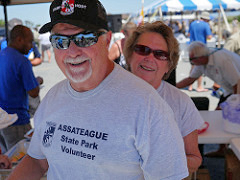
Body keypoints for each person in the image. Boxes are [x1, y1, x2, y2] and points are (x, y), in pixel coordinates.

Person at [8, 0, 188, 179]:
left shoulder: (148, 106)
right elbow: (38, 160)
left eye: (84, 39)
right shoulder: (52, 98)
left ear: (107, 40)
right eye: (60, 41)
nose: (72, 51)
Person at [124, 21, 204, 174]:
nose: (149, 57)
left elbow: (195, 159)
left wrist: (156, 161)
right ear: (129, 55)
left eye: (160, 54)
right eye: (142, 49)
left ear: (169, 65)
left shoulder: (181, 102)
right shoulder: (108, 95)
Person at [176, 41, 240, 157]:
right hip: (229, 89)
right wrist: (171, 87)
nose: (191, 62)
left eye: (192, 59)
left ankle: (230, 146)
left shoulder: (222, 60)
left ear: (201, 57)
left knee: (226, 116)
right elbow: (190, 79)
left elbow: (237, 82)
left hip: (237, 88)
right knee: (219, 114)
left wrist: (234, 105)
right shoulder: (201, 62)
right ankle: (222, 149)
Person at [0, 25, 42, 152]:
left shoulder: (2, 54)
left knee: (7, 160)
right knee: (21, 160)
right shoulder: (22, 61)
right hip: (17, 121)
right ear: (19, 39)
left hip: (2, 119)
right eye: (29, 41)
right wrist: (38, 81)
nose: (31, 46)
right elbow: (33, 92)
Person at [188, 11, 212, 92]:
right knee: (200, 67)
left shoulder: (192, 23)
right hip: (201, 48)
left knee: (192, 67)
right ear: (206, 19)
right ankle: (199, 86)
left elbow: (188, 34)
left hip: (192, 47)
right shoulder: (205, 25)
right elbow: (209, 37)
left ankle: (190, 86)